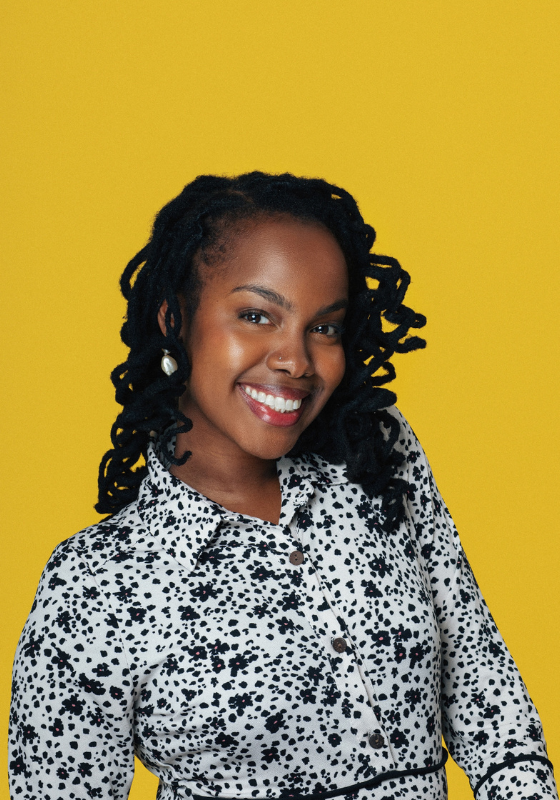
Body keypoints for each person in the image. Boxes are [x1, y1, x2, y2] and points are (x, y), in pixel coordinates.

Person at [8, 172, 557, 800]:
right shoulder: (97, 584)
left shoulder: (374, 454)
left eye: (323, 328)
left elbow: (480, 680)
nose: (295, 359)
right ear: (173, 320)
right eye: (256, 315)